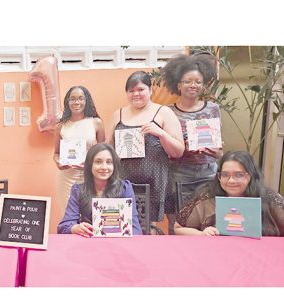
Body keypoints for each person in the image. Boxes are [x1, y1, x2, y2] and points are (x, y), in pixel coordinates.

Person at [109, 71, 184, 228]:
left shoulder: (163, 112)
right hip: (124, 180)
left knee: (151, 228)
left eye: (140, 89)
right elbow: (108, 146)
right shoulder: (118, 114)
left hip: (154, 180)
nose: (136, 94)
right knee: (123, 226)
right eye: (131, 91)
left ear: (150, 90)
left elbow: (178, 151)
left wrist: (161, 133)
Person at [161, 54, 222, 229]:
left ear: (203, 85)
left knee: (209, 220)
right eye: (188, 81)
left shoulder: (213, 109)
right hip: (179, 174)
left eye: (198, 81)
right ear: (178, 85)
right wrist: (182, 148)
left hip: (208, 172)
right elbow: (165, 148)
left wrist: (216, 151)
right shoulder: (167, 111)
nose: (193, 85)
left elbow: (219, 150)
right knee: (180, 222)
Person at [175, 150, 284, 236]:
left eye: (239, 175)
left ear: (251, 176)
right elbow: (178, 228)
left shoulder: (268, 198)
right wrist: (202, 234)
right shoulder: (207, 197)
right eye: (225, 175)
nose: (231, 181)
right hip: (218, 254)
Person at [57, 143, 142, 236]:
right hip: (87, 242)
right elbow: (64, 225)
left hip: (118, 244)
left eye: (109, 162)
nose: (104, 167)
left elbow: (135, 228)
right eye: (98, 162)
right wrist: (75, 228)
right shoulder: (78, 190)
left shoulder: (125, 188)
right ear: (90, 165)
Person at [53, 86, 105, 212]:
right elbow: (56, 153)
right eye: (73, 99)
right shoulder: (60, 126)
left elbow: (104, 153)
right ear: (67, 102)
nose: (76, 102)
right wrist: (58, 162)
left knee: (91, 214)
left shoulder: (96, 122)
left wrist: (90, 164)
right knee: (68, 215)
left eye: (81, 99)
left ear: (87, 101)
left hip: (91, 176)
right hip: (67, 177)